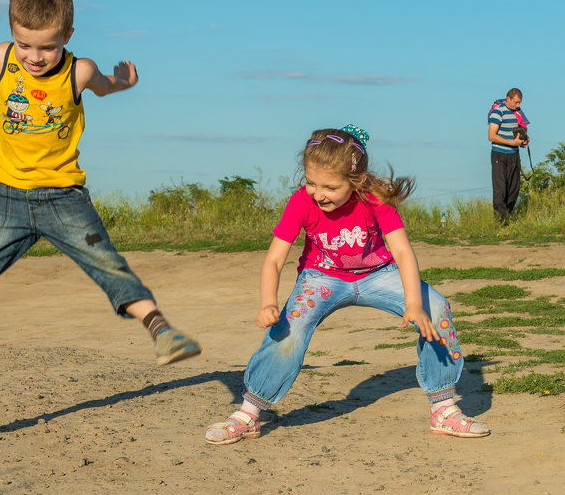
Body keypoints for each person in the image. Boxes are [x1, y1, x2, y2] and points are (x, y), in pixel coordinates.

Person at [0, 0, 200, 388]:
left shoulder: (79, 71)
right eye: (25, 45)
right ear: (11, 35)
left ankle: (163, 333)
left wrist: (125, 80)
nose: (35, 57)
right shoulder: (5, 57)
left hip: (63, 198)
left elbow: (106, 88)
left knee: (107, 262)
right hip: (4, 195)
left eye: (47, 47)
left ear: (68, 36)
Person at [204, 124, 488, 445]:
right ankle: (248, 413)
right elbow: (273, 260)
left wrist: (413, 303)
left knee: (436, 308)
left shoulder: (374, 198)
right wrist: (269, 302)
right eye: (311, 182)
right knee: (289, 331)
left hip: (379, 273)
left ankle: (444, 408)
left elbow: (403, 251)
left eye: (329, 186)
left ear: (356, 182)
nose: (318, 193)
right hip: (321, 277)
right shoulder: (301, 202)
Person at [487, 88, 529, 222]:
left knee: (514, 190)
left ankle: (507, 216)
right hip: (499, 154)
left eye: (520, 103)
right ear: (508, 99)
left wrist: (524, 139)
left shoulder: (519, 114)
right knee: (500, 189)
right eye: (516, 102)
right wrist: (511, 142)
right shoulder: (498, 111)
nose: (518, 105)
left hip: (514, 155)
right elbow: (491, 136)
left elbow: (520, 131)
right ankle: (502, 221)